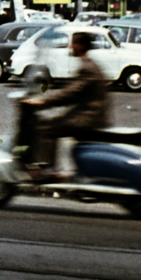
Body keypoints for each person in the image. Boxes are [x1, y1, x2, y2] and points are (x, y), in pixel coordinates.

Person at [23, 30, 110, 179]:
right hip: (89, 114)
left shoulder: (87, 68)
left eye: (73, 43)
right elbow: (72, 92)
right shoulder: (90, 65)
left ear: (81, 46)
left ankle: (46, 170)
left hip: (88, 118)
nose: (71, 46)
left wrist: (43, 102)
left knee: (47, 127)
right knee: (53, 122)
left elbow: (70, 93)